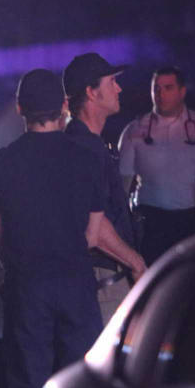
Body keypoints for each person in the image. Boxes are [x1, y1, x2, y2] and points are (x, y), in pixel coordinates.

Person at [0, 69, 145, 388]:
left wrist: (18, 265)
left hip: (28, 283)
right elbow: (93, 231)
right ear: (62, 107)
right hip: (76, 281)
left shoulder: (0, 163)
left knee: (28, 387)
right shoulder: (85, 157)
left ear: (20, 108)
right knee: (82, 383)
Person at [118, 66, 195, 264]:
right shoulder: (134, 131)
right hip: (149, 222)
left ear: (182, 91)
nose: (160, 94)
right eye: (156, 88)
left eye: (168, 87)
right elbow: (123, 184)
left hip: (191, 222)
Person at [63, 52, 136, 322]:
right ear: (91, 93)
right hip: (104, 278)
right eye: (111, 82)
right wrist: (136, 263)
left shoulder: (90, 144)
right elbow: (95, 220)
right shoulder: (83, 148)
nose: (119, 88)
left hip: (108, 274)